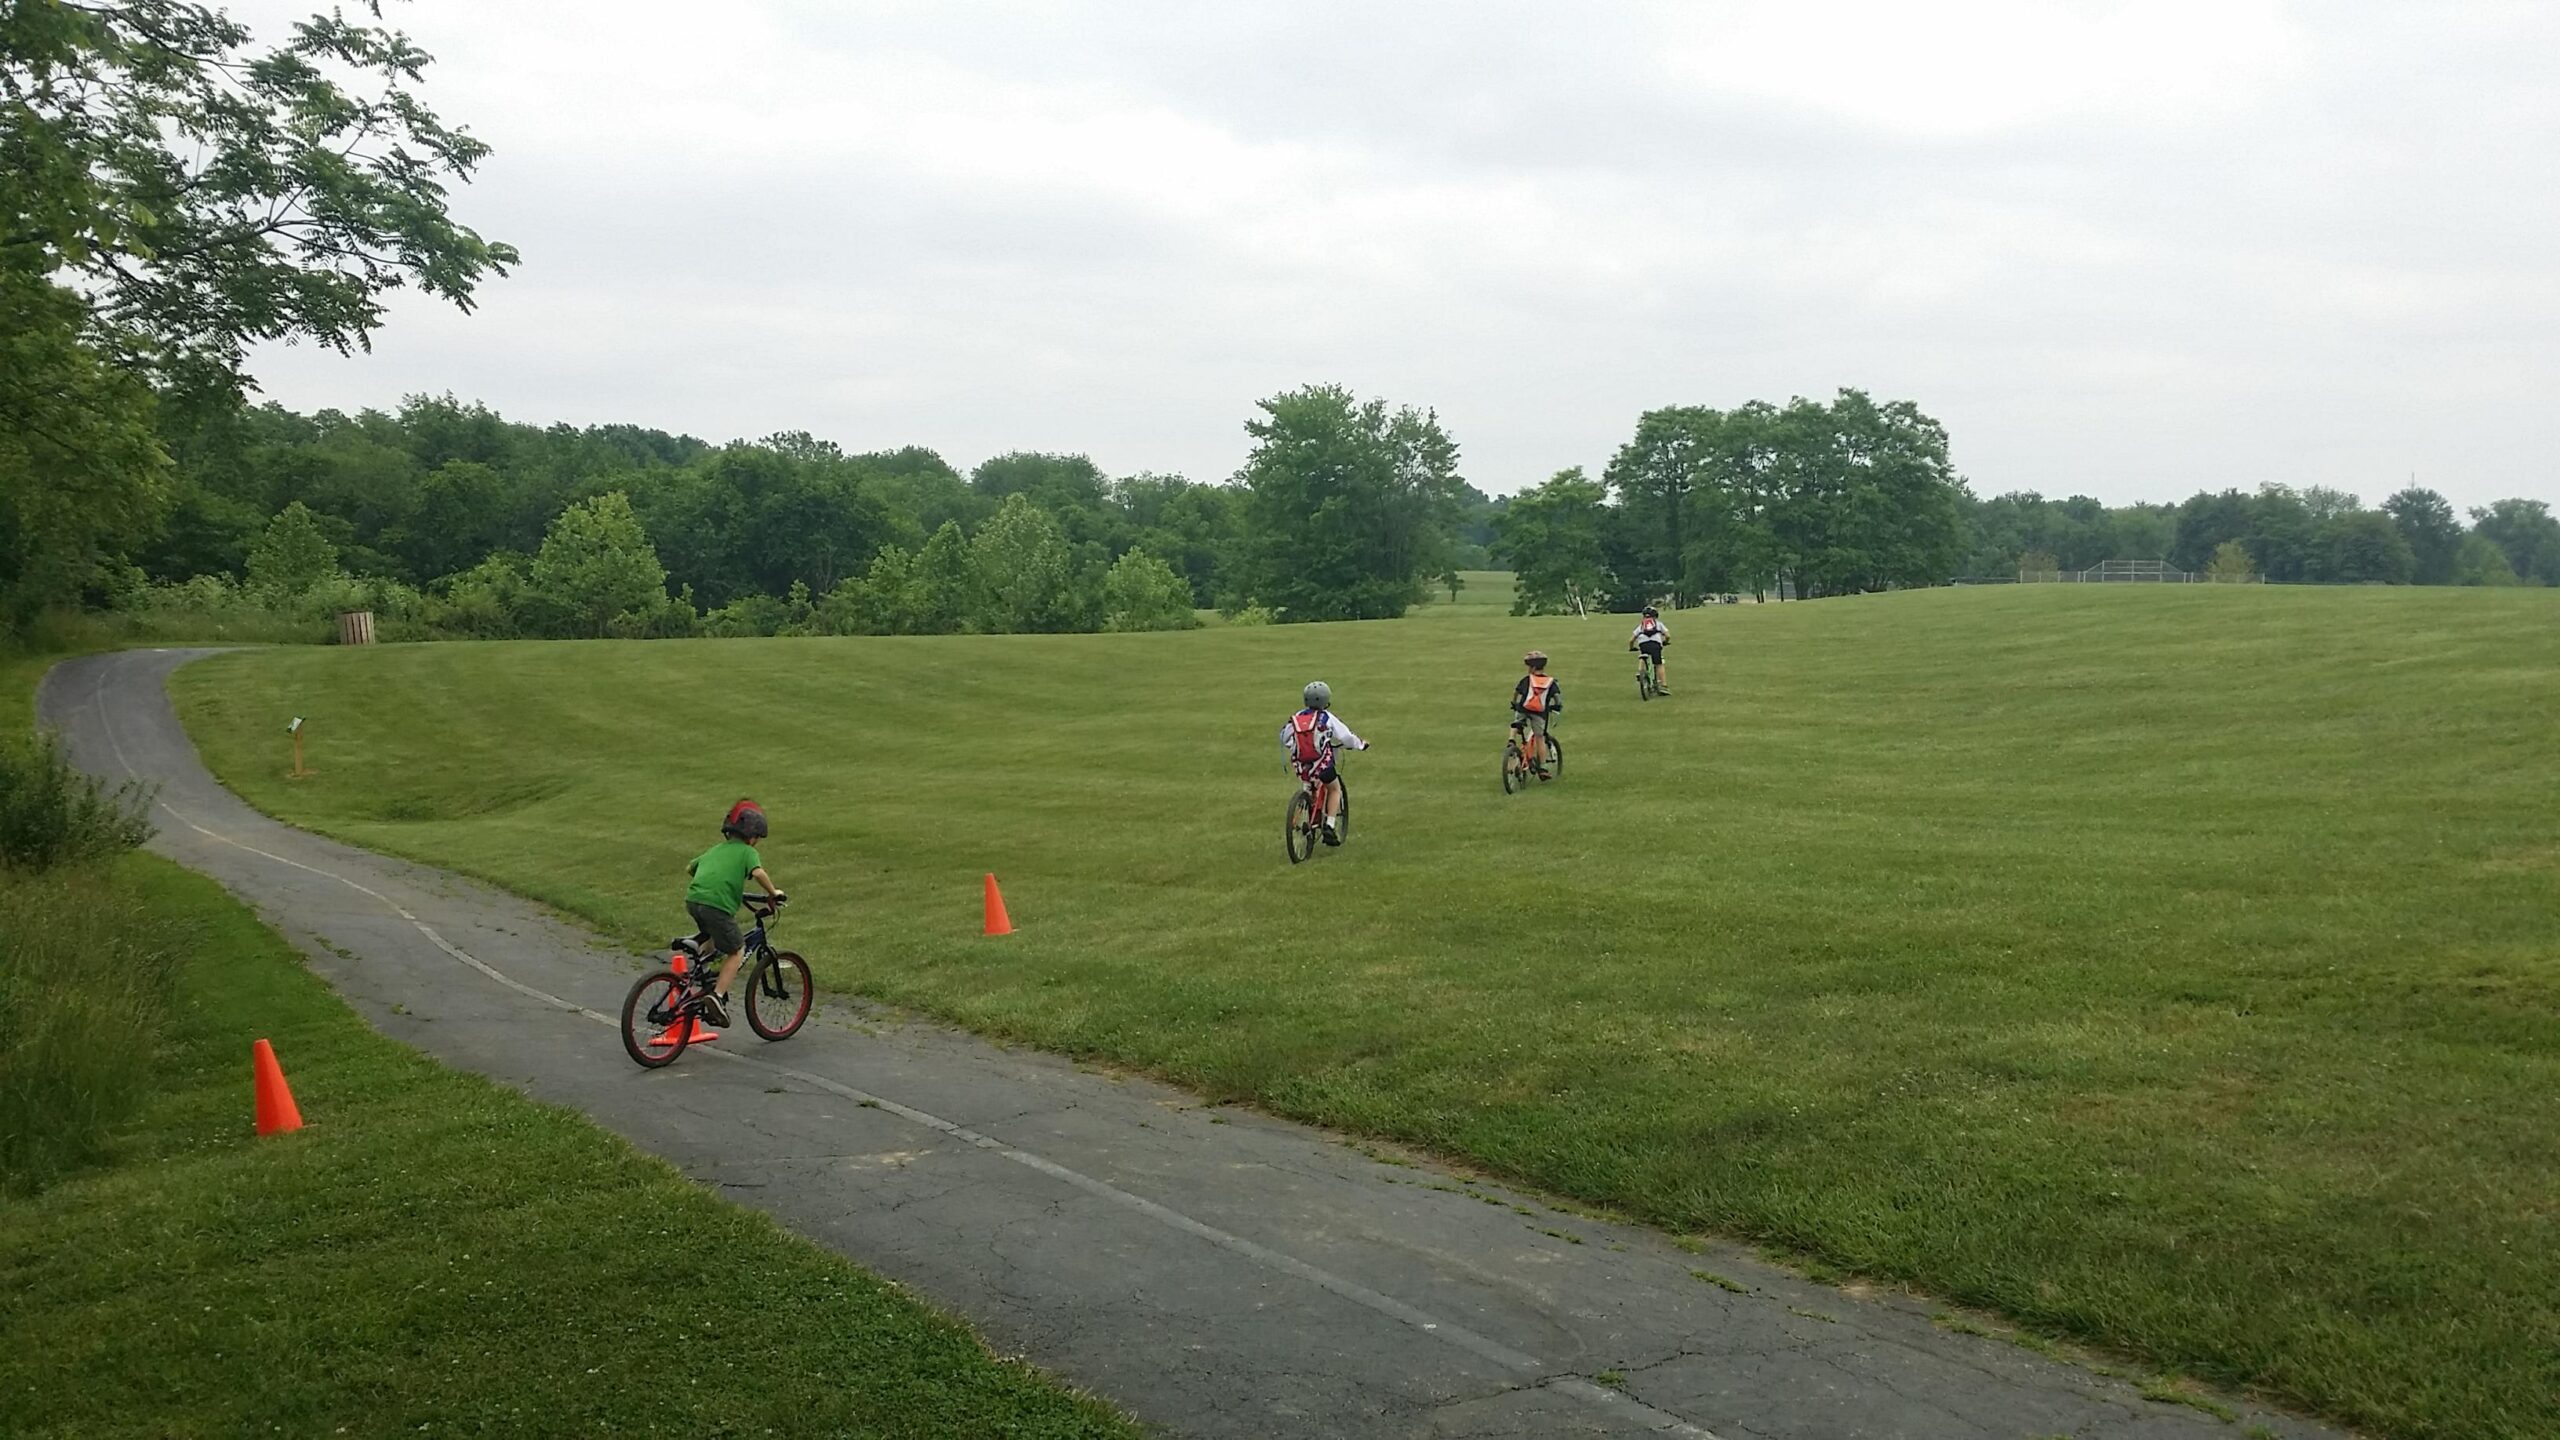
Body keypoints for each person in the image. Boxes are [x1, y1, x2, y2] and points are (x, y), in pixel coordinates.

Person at [683, 798, 784, 1027]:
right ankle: (716, 996)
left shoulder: (715, 850)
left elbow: (690, 867)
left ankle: (702, 973)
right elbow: (757, 873)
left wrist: (712, 883)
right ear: (753, 836)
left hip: (693, 899)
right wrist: (773, 892)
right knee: (737, 950)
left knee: (710, 936)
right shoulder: (747, 852)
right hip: (716, 906)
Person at [1281, 681, 1367, 845]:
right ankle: (1329, 825)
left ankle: (1302, 812)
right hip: (1322, 764)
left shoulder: (1298, 717)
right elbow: (1346, 737)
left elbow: (1285, 737)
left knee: (1308, 784)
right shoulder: (1326, 717)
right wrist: (1360, 745)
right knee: (1334, 788)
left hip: (1301, 765)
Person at [1511, 651, 1561, 778]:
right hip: (1539, 713)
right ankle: (1543, 767)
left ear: (1532, 668)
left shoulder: (1527, 679)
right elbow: (1557, 699)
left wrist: (1514, 703)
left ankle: (1511, 741)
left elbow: (1516, 693)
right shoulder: (1550, 682)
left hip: (1523, 709)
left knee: (1516, 723)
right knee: (1540, 738)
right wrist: (1556, 706)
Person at [1629, 605, 1670, 694]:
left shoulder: (1641, 626)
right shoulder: (1658, 624)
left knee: (1643, 656)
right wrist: (1665, 641)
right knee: (1659, 664)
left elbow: (1631, 639)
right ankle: (1663, 686)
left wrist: (1631, 647)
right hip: (1655, 645)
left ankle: (1640, 671)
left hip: (1643, 644)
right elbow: (1667, 635)